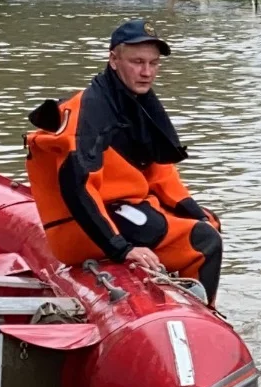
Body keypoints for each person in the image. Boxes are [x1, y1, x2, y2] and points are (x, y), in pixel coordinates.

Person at [23, 18, 224, 305]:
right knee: (202, 241)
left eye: (153, 64)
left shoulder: (135, 102)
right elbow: (76, 189)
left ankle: (176, 299)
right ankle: (204, 318)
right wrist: (121, 248)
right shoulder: (92, 111)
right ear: (114, 60)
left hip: (121, 209)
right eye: (137, 62)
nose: (147, 72)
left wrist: (198, 214)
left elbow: (161, 175)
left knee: (208, 223)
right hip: (79, 226)